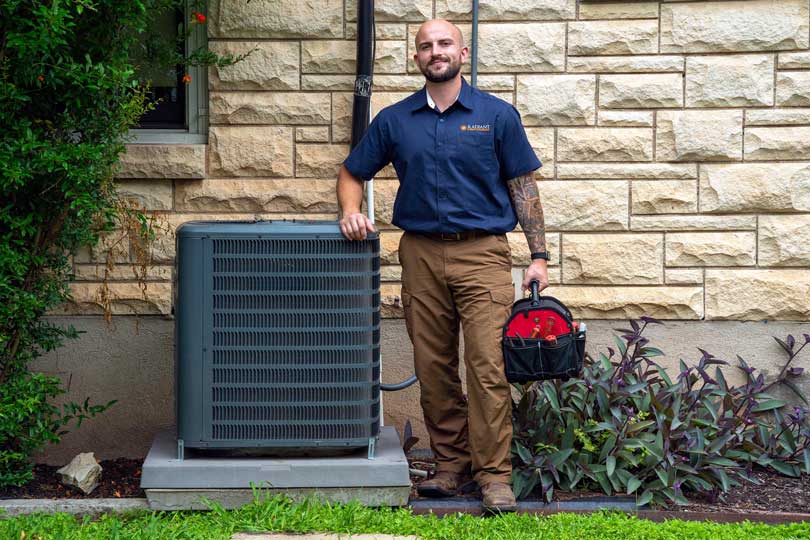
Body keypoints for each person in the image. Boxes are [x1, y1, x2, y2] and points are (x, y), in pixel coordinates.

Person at [336, 19, 549, 513]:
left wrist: (538, 256)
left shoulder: (497, 116)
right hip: (421, 255)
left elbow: (524, 188)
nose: (437, 52)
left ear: (463, 51)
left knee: (487, 367)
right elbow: (352, 171)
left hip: (483, 255)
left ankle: (495, 476)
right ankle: (451, 468)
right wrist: (351, 211)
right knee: (433, 369)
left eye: (445, 43)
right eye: (427, 46)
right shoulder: (395, 120)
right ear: (416, 58)